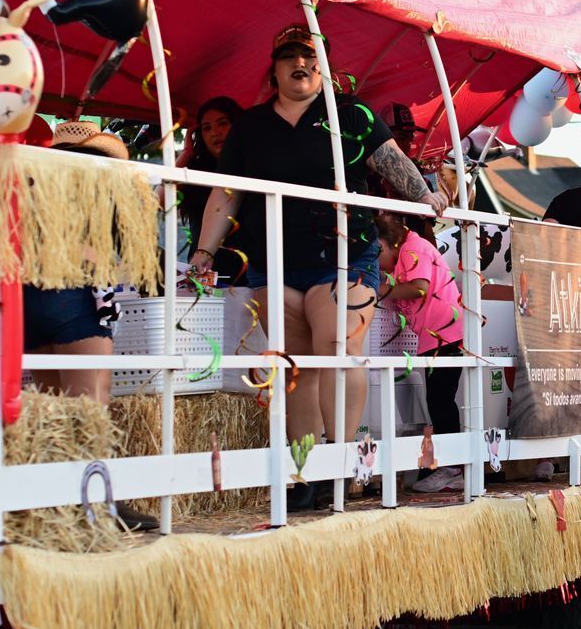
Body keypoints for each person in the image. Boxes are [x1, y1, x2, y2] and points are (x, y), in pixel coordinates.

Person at [190, 25, 447, 482]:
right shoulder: (250, 125)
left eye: (311, 56)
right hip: (273, 259)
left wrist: (424, 195)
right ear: (274, 68)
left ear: (325, 66)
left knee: (338, 348)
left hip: (345, 255)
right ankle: (307, 472)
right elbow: (226, 192)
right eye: (290, 56)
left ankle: (342, 465)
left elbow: (390, 159)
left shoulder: (351, 114)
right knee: (297, 365)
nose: (301, 63)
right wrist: (203, 251)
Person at [22, 122, 129, 409]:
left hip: (30, 296)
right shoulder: (94, 190)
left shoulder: (34, 190)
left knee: (52, 409)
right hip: (77, 294)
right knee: (90, 406)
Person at [375, 209, 466, 493]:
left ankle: (453, 468)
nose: (377, 263)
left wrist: (382, 290)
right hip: (437, 336)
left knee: (440, 401)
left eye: (376, 254)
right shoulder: (409, 250)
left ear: (385, 244)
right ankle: (449, 465)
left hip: (445, 334)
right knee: (438, 400)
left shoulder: (414, 248)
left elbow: (419, 288)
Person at [178, 96, 246, 284]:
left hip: (248, 275)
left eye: (222, 123)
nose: (215, 133)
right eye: (206, 128)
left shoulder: (254, 167)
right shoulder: (195, 171)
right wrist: (186, 153)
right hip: (203, 272)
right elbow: (158, 202)